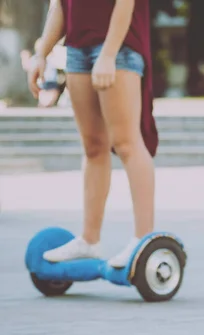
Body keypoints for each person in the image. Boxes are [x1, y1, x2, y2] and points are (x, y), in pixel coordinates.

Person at [28, 0, 158, 268]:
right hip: (77, 48)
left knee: (126, 143)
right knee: (93, 146)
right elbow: (60, 5)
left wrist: (109, 53)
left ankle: (143, 241)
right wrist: (42, 52)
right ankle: (89, 240)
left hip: (119, 46)